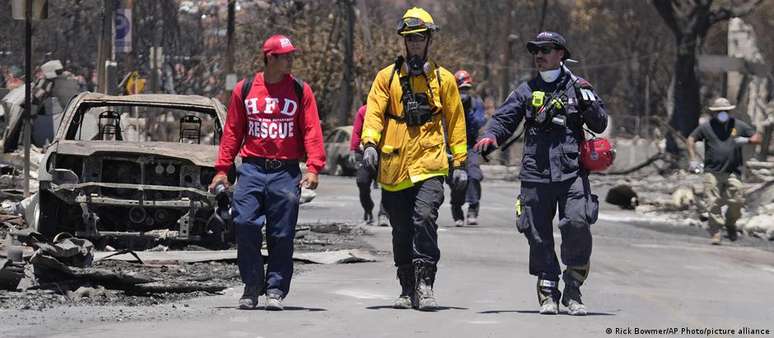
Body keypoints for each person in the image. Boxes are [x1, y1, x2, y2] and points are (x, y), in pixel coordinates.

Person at [474, 31, 607, 316]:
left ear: (561, 54)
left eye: (546, 50)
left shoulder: (578, 87)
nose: (539, 55)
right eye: (535, 50)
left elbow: (599, 123)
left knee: (577, 222)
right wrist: (491, 136)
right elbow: (504, 118)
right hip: (535, 173)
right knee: (536, 232)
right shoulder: (526, 89)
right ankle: (547, 289)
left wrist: (588, 102)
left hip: (571, 172)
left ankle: (573, 286)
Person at [360, 7, 467, 310]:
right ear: (404, 42)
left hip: (430, 164)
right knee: (402, 230)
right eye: (411, 39)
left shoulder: (443, 80)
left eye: (420, 39)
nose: (416, 44)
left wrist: (459, 163)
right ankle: (407, 288)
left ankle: (425, 285)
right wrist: (369, 144)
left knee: (424, 218)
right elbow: (374, 114)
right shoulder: (387, 78)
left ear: (429, 40)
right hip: (395, 168)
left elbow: (456, 122)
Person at [209, 34, 325, 311]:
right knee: (245, 223)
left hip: (285, 172)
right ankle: (251, 285)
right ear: (269, 58)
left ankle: (275, 289)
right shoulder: (245, 89)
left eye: (291, 55)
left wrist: (314, 166)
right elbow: (233, 133)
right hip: (251, 169)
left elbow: (311, 129)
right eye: (285, 56)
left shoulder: (300, 90)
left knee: (281, 234)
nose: (290, 60)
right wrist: (222, 170)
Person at [687, 97, 762, 245]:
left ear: (729, 112)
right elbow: (691, 139)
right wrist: (693, 159)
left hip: (733, 171)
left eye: (725, 111)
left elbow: (757, 137)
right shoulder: (707, 127)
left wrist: (747, 140)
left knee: (737, 201)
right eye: (719, 111)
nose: (722, 114)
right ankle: (715, 232)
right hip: (712, 171)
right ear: (714, 113)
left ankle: (730, 223)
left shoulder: (738, 125)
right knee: (713, 202)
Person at [448, 70, 486, 227]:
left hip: (470, 146)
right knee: (457, 180)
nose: (464, 93)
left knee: (474, 176)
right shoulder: (447, 102)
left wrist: (468, 111)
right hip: (451, 147)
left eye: (466, 89)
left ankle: (472, 209)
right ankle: (457, 212)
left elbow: (479, 123)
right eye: (461, 89)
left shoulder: (476, 103)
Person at [349, 104, 389, 226]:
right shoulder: (363, 110)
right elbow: (356, 131)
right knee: (362, 182)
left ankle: (383, 214)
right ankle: (368, 208)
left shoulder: (391, 109)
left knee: (388, 186)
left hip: (385, 153)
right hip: (364, 151)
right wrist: (353, 150)